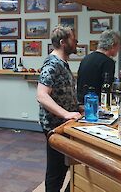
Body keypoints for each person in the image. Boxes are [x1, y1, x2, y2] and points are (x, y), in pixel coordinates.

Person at [37, 26, 82, 192]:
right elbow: (42, 95)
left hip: (64, 124)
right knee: (57, 172)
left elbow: (62, 92)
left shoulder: (62, 63)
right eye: (73, 39)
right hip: (55, 126)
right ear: (63, 43)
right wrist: (66, 113)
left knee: (67, 167)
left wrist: (77, 107)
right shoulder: (52, 64)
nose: (76, 42)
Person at [77, 30, 120, 104]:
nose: (119, 49)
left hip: (81, 102)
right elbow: (107, 88)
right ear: (112, 45)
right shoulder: (108, 62)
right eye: (119, 45)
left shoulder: (86, 58)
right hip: (97, 104)